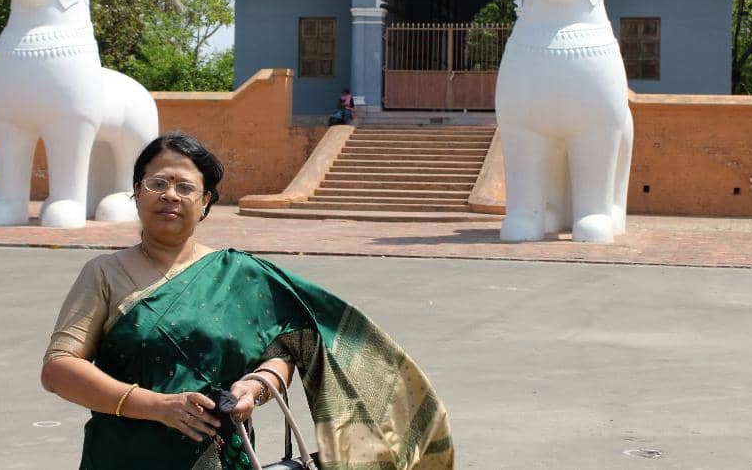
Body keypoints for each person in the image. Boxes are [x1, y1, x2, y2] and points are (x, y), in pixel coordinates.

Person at [41, 131, 453, 469]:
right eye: (158, 183)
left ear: (204, 204)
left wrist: (255, 386)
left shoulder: (241, 275)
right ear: (137, 192)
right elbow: (59, 369)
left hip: (223, 458)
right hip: (123, 456)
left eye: (186, 187)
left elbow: (288, 350)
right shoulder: (103, 274)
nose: (170, 195)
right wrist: (156, 405)